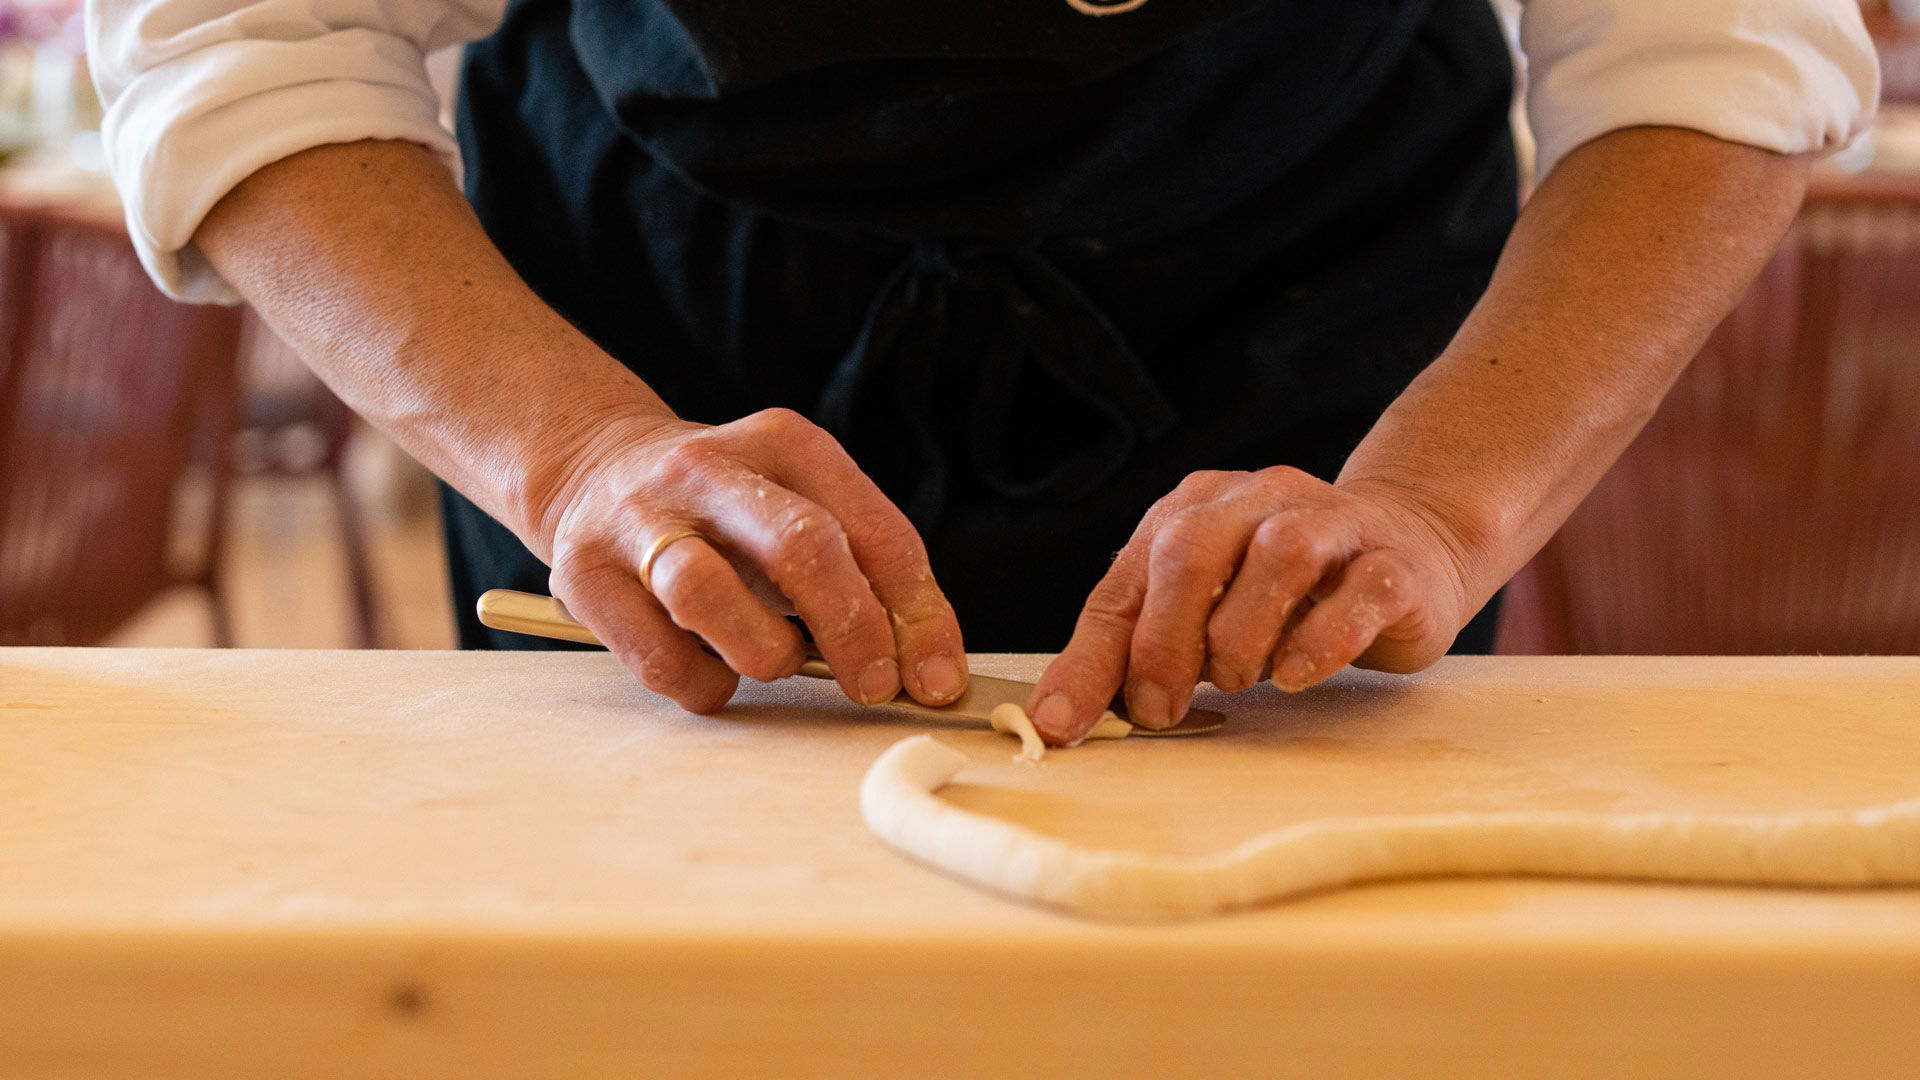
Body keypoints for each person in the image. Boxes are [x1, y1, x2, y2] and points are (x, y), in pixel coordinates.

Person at [90, 0, 1875, 743]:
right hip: (641, 365)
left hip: (1323, 359)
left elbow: (1705, 51)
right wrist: (571, 465)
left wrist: (1434, 497)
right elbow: (251, 35)